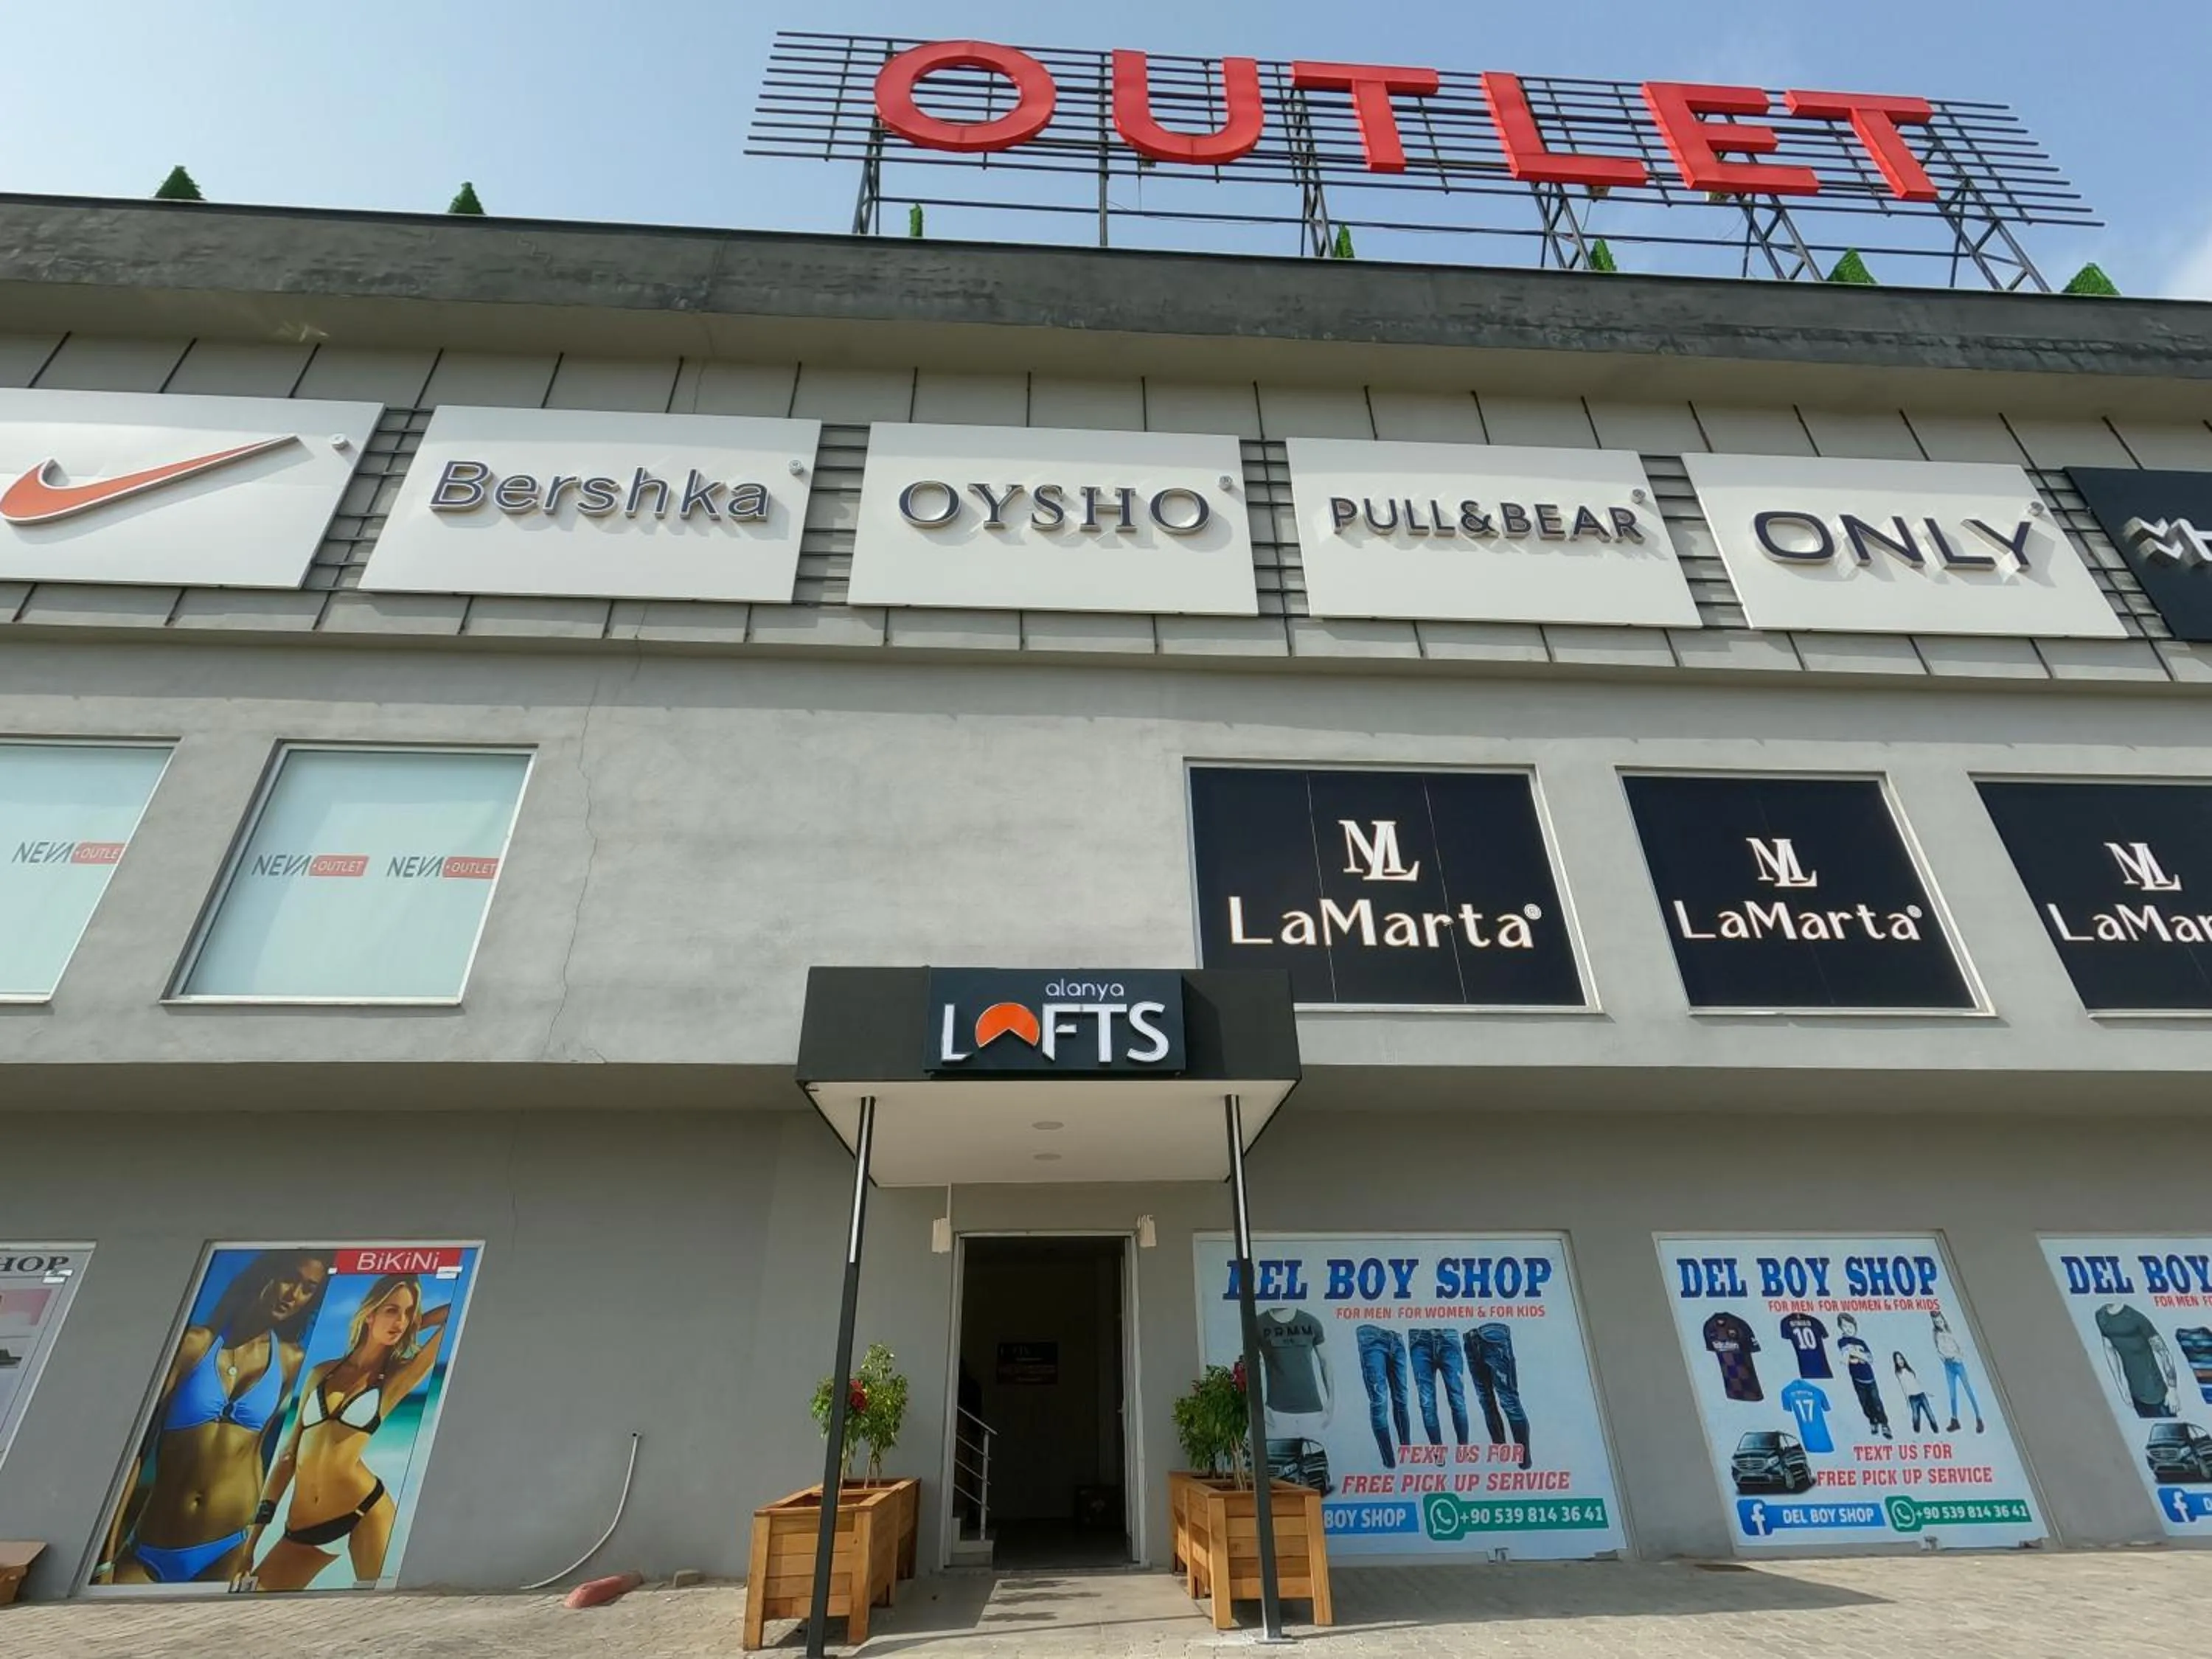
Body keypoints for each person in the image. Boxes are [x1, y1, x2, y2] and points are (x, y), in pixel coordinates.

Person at [95, 1251, 329, 1585]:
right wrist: (105, 1557)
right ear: (265, 1275)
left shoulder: (290, 1360)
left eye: (308, 1289)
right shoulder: (195, 1345)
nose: (293, 1295)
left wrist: (254, 1545)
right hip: (152, 1546)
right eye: (289, 1279)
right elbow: (136, 1452)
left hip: (230, 1546)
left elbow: (259, 1454)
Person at [237, 1274, 451, 1591]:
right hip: (301, 1529)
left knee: (379, 1609)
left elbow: (451, 1314)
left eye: (408, 1313)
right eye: (391, 1310)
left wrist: (411, 1326)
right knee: (259, 1599)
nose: (400, 1320)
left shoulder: (396, 1378)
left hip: (366, 1512)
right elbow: (287, 1456)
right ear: (370, 1314)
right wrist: (250, 1544)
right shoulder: (321, 1373)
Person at [1835, 1315, 1891, 1440]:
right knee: (1865, 1402)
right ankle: (1873, 1421)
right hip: (1857, 1379)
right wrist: (1858, 1356)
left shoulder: (1861, 1342)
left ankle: (1884, 1423)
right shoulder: (1842, 1341)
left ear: (1855, 1326)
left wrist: (1855, 1355)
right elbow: (1845, 1359)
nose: (1848, 1329)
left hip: (1869, 1377)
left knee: (1876, 1401)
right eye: (1845, 1326)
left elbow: (1870, 1359)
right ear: (1841, 1328)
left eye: (1850, 1326)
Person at [1931, 1312, 1985, 1433]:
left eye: (1940, 1321)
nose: (1939, 1323)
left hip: (1958, 1364)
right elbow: (1938, 1350)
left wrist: (1958, 1357)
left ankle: (1979, 1419)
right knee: (1952, 1393)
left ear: (1944, 1320)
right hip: (1948, 1365)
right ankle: (1955, 1420)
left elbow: (1961, 1347)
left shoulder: (1951, 1332)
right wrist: (1943, 1359)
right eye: (1936, 1322)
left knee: (1968, 1390)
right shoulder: (1936, 1334)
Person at [1893, 1352, 1939, 1434]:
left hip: (1921, 1394)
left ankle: (1936, 1430)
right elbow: (1903, 1386)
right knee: (1916, 1416)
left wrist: (1926, 1392)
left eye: (1901, 1358)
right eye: (1898, 1359)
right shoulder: (1899, 1373)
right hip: (1913, 1397)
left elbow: (1917, 1382)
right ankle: (1916, 1431)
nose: (1900, 1361)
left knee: (1929, 1413)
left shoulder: (1909, 1369)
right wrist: (1907, 1399)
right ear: (1896, 1362)